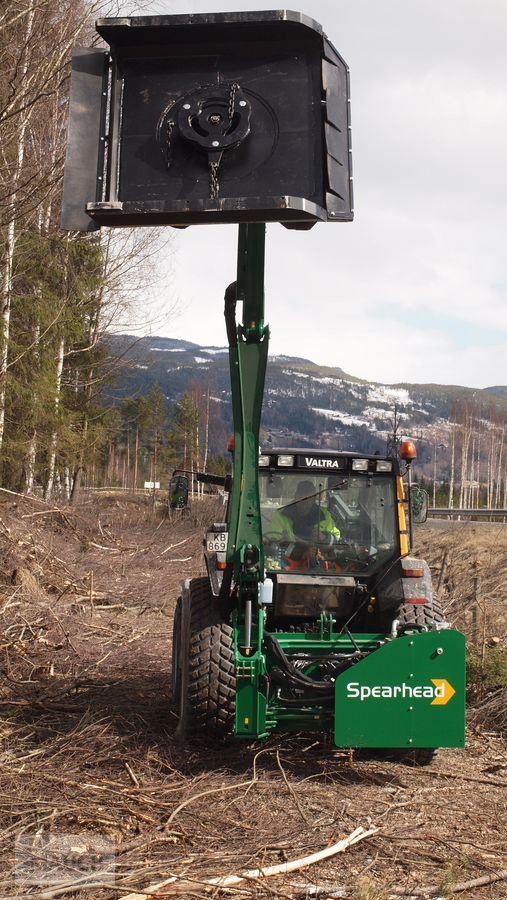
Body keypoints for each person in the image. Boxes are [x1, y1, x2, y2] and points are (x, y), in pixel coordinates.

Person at [266, 480, 341, 566]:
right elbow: (274, 543)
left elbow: (337, 539)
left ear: (314, 498)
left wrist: (324, 537)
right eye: (302, 495)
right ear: (296, 496)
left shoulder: (324, 515)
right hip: (288, 566)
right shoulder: (281, 515)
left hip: (320, 565)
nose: (305, 499)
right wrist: (302, 553)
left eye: (309, 496)